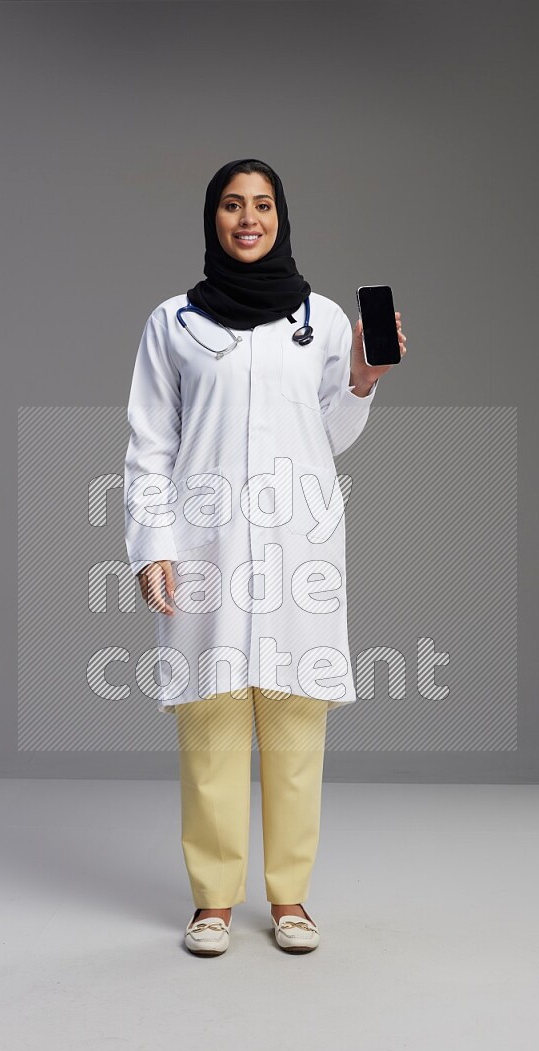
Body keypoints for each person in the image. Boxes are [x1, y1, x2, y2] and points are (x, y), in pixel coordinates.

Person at [123, 158, 407, 956]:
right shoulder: (174, 323)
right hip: (204, 542)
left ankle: (291, 898)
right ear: (211, 218)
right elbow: (149, 444)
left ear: (282, 216)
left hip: (296, 544)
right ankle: (212, 900)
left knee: (292, 722)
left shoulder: (318, 318)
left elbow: (334, 436)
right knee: (210, 719)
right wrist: (152, 546)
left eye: (263, 205)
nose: (249, 218)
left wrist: (361, 377)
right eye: (232, 205)